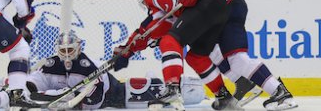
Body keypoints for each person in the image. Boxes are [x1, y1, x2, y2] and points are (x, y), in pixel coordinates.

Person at [117, 0, 234, 111]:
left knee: (169, 41)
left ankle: (172, 89)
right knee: (196, 58)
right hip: (210, 9)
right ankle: (225, 98)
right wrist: (128, 50)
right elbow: (151, 26)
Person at [26, 31, 206, 110]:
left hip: (111, 93)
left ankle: (178, 87)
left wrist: (71, 101)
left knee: (142, 92)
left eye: (70, 50)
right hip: (76, 96)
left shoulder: (87, 66)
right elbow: (38, 79)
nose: (66, 55)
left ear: (78, 49)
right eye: (63, 51)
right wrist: (31, 89)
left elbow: (94, 101)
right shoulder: (52, 64)